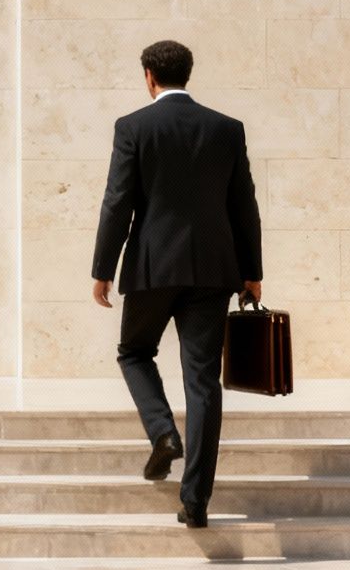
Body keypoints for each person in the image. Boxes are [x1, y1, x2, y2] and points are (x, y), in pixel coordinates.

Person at [92, 40, 263, 529]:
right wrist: (252, 271)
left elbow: (117, 202)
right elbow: (243, 204)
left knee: (133, 353)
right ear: (187, 74)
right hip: (214, 271)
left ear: (149, 76)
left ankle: (163, 433)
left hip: (152, 268)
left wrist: (103, 268)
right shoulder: (227, 129)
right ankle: (196, 503)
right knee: (203, 382)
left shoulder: (133, 127)